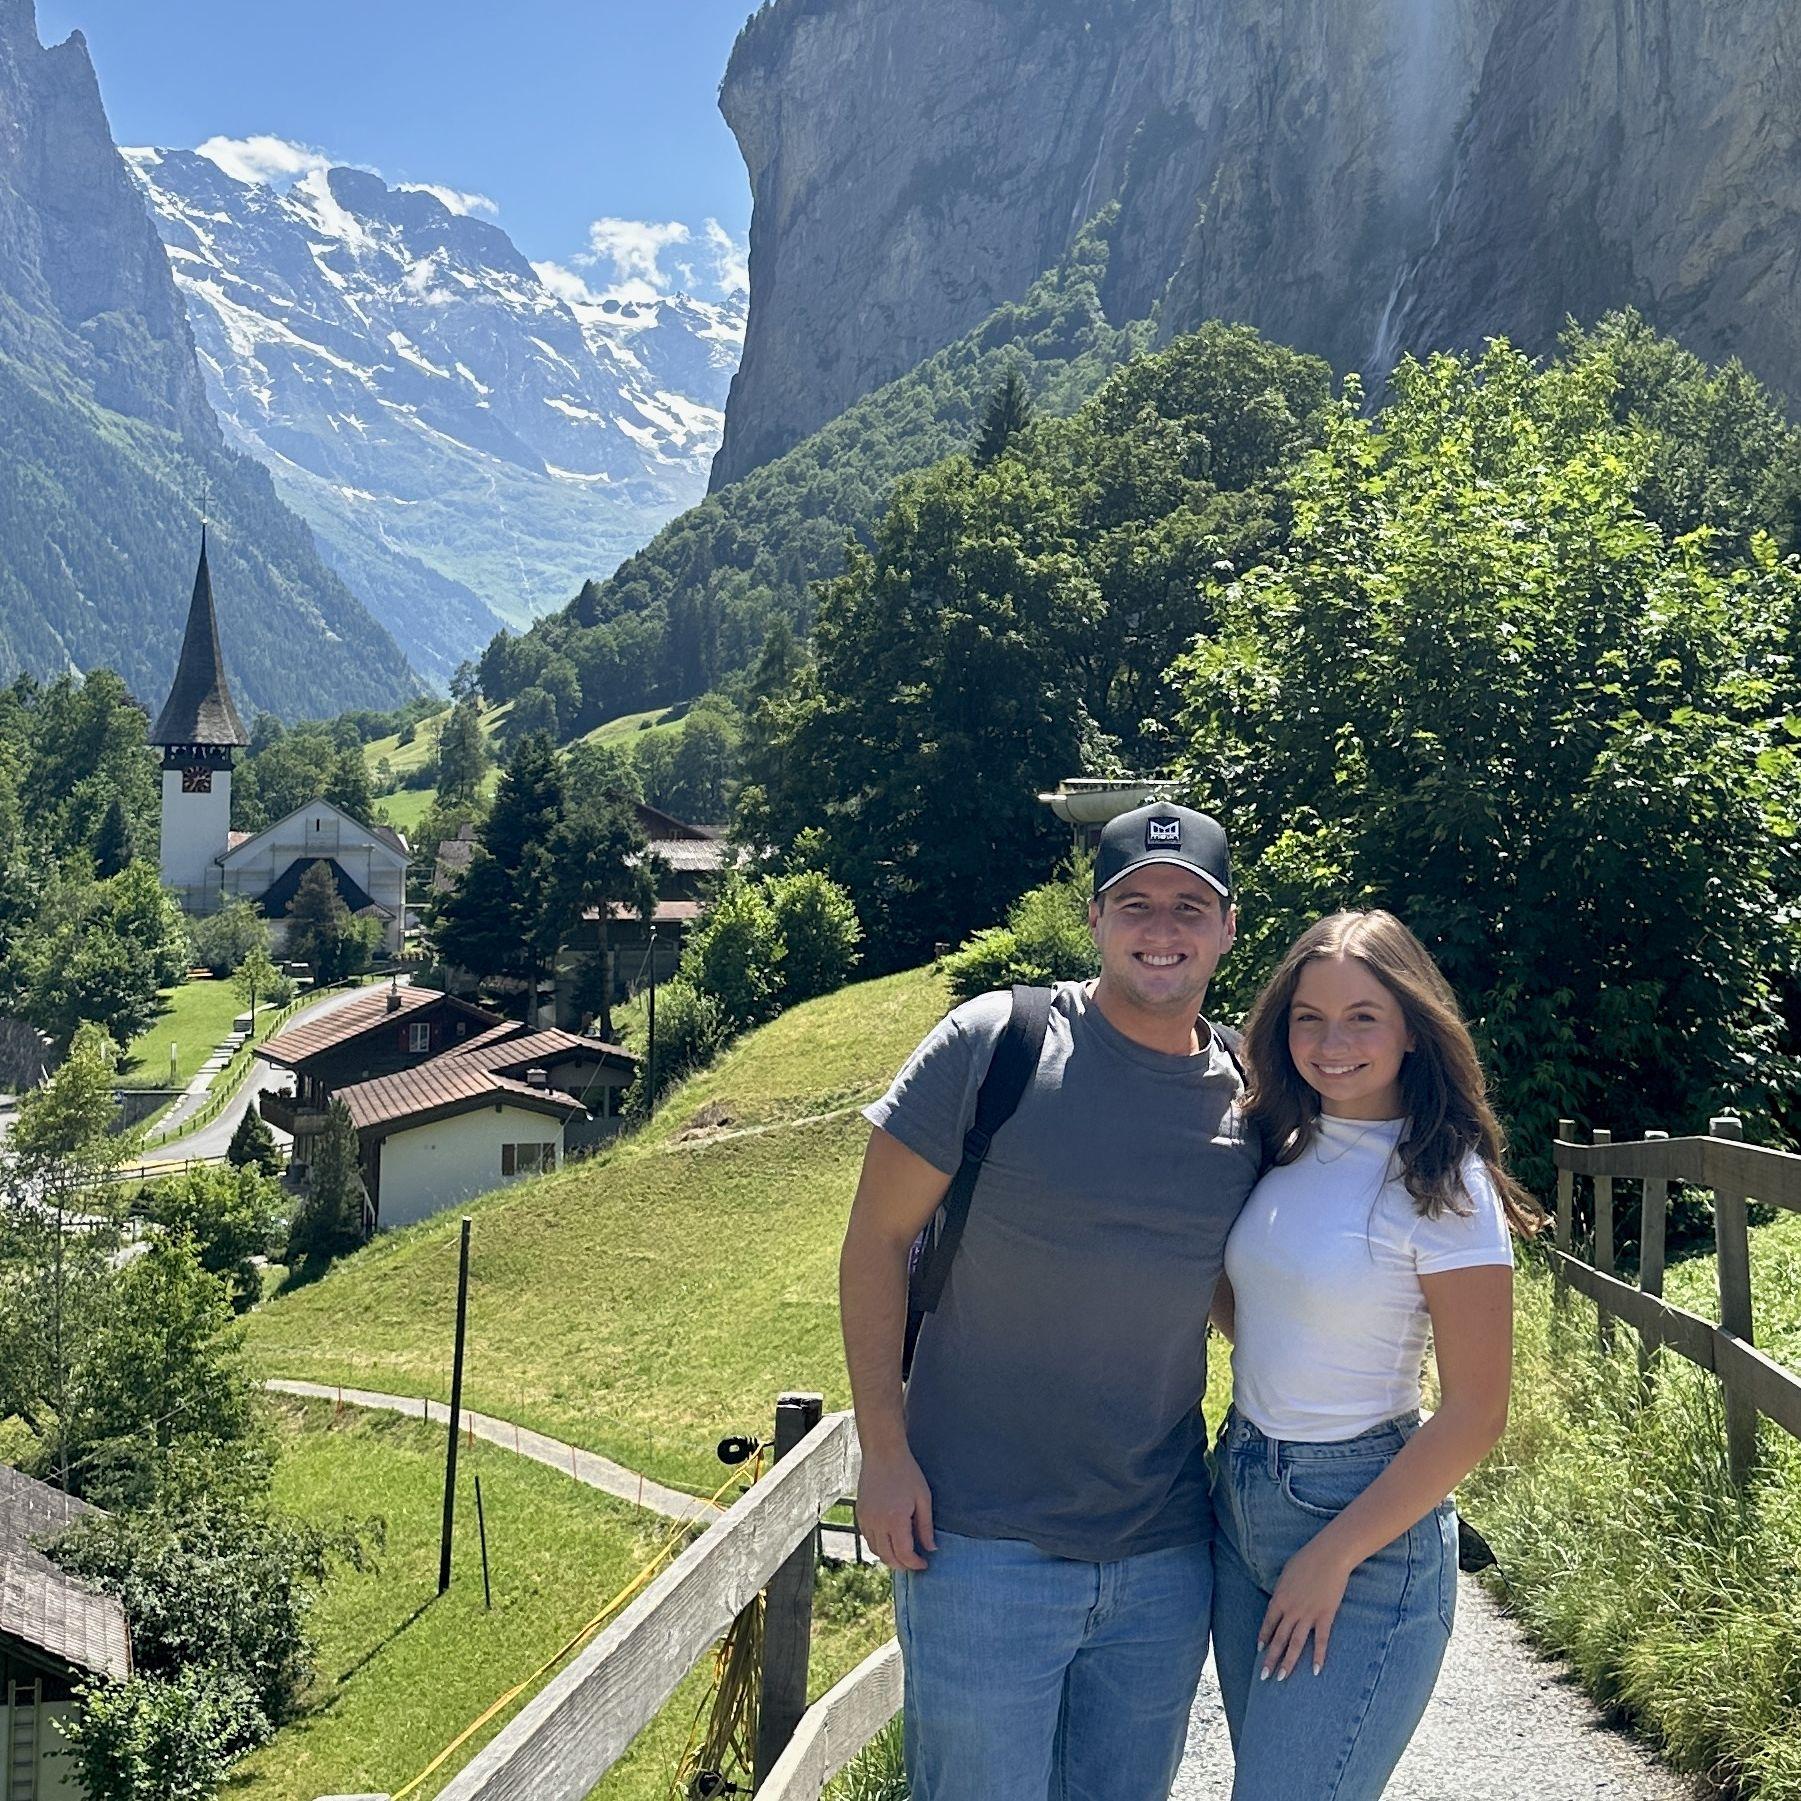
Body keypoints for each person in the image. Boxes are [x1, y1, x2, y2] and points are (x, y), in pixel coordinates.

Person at [840, 803, 1261, 1800]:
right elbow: (874, 1242)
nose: (1162, 930)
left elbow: (1237, 1288)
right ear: (1095, 917)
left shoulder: (1251, 1090)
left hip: (1163, 1552)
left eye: (1189, 908)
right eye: (1137, 905)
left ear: (1228, 926)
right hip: (979, 1540)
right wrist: (884, 1453)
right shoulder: (998, 1041)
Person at [1208, 910, 1541, 1799]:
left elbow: (1476, 1412)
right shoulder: (1280, 1146)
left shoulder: (1443, 1176)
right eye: (1308, 1016)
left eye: (1362, 1015)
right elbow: (1269, 1317)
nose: (1331, 1040)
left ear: (1410, 1027)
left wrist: (1331, 1554)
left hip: (1360, 1526)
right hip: (1238, 1491)